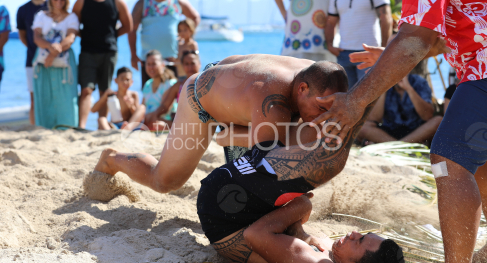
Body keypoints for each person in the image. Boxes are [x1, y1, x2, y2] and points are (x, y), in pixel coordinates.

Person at [312, 0, 487, 263]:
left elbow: (417, 40)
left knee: (449, 157)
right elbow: (441, 35)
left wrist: (354, 102)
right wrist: (391, 51)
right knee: (475, 153)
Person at [91, 57, 348, 194]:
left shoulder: (314, 74)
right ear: (302, 89)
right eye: (322, 108)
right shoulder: (274, 104)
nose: (324, 115)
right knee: (164, 181)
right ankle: (112, 158)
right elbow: (273, 165)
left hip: (233, 89)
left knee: (300, 136)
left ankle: (233, 133)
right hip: (200, 98)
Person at [198, 138, 405, 263]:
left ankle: (236, 136)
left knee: (306, 165)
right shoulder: (334, 258)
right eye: (361, 233)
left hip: (221, 216)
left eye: (359, 241)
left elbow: (255, 235)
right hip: (233, 211)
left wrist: (300, 206)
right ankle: (236, 136)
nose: (353, 233)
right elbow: (292, 234)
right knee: (286, 143)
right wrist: (298, 222)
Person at [73, 0, 133, 129]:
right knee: (86, 90)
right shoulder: (81, 1)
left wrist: (112, 36)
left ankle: (102, 125)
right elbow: (72, 26)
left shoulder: (117, 0)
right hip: (87, 51)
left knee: (105, 90)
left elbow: (128, 26)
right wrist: (84, 36)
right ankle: (82, 127)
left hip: (109, 51)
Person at [324, 0, 392, 87]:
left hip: (368, 53)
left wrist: (383, 47)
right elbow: (330, 22)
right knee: (347, 97)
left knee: (367, 97)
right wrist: (330, 45)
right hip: (344, 54)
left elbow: (386, 19)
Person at [129, 0, 200, 87]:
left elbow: (195, 18)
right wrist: (133, 55)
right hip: (150, 62)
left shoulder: (177, 2)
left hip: (173, 60)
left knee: (175, 97)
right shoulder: (143, 3)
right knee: (151, 95)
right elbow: (132, 29)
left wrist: (186, 37)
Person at [32, 0, 79, 129]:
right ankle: (44, 128)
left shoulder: (71, 17)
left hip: (64, 62)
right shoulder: (41, 15)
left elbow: (71, 37)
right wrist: (50, 48)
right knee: (44, 95)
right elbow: (36, 37)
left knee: (67, 96)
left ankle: (68, 127)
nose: (59, 1)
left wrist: (54, 52)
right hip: (43, 62)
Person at [357, 72, 442, 145]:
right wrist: (383, 90)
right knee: (362, 126)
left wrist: (408, 88)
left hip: (416, 131)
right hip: (389, 131)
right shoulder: (384, 83)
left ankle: (398, 146)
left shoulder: (420, 82)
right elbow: (374, 119)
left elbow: (427, 116)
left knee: (438, 121)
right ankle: (401, 146)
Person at [16, 0, 48, 125]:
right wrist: (34, 48)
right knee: (34, 99)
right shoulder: (22, 10)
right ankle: (35, 127)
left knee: (51, 96)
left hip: (53, 58)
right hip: (32, 58)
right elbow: (22, 35)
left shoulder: (53, 5)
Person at [125, 50, 177, 130]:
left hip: (164, 120)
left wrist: (150, 116)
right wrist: (131, 106)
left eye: (154, 64)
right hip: (148, 119)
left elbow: (165, 109)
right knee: (141, 108)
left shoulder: (170, 84)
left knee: (157, 124)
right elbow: (143, 108)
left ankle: (128, 129)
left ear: (162, 65)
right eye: (148, 64)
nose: (151, 67)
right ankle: (127, 128)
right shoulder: (148, 84)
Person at [152, 49, 202, 122]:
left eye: (192, 63)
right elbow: (165, 106)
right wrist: (154, 116)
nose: (190, 67)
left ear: (199, 64)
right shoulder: (178, 86)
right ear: (182, 66)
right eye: (186, 64)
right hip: (185, 122)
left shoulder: (206, 83)